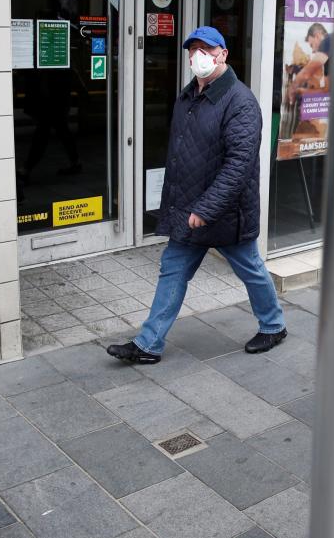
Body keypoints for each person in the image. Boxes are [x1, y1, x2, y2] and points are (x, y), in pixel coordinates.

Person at [107, 26, 286, 364]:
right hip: (190, 210)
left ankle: (274, 325)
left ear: (223, 55)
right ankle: (148, 344)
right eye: (193, 50)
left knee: (250, 269)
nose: (197, 56)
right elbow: (183, 155)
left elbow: (238, 166)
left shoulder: (241, 102)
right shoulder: (190, 95)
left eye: (206, 49)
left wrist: (206, 208)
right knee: (172, 269)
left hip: (225, 213)